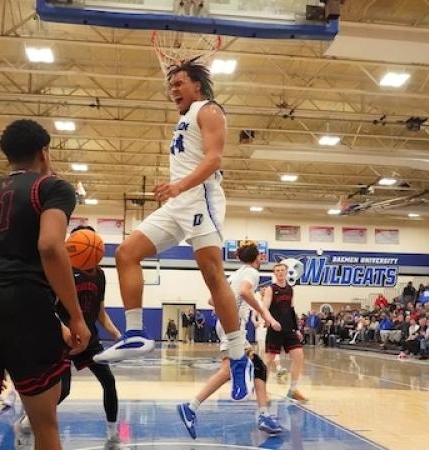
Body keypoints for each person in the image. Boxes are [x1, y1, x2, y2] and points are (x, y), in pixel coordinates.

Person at [94, 60, 253, 401]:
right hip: (178, 203)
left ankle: (239, 357)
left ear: (197, 85)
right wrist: (176, 190)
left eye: (179, 83)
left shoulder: (209, 110)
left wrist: (179, 186)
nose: (174, 90)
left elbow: (214, 159)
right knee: (126, 253)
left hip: (200, 199)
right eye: (171, 85)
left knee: (213, 274)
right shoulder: (185, 118)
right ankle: (135, 333)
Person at [0, 119, 91, 450]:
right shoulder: (52, 187)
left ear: (7, 155)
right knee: (45, 429)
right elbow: (50, 245)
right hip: (24, 306)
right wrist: (76, 316)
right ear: (44, 152)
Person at [15, 225, 123, 450]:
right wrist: (63, 328)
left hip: (89, 339)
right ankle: (25, 424)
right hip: (62, 337)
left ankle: (113, 435)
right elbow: (47, 306)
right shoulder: (61, 271)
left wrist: (115, 332)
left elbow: (100, 312)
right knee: (62, 390)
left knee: (109, 381)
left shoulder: (100, 275)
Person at [177, 242, 283, 439]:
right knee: (228, 371)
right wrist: (264, 314)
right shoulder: (252, 272)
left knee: (258, 367)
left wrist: (225, 308)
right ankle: (190, 407)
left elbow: (212, 300)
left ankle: (264, 416)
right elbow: (244, 291)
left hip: (228, 324)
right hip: (233, 326)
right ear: (257, 257)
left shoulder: (234, 274)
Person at [262, 263, 308, 403]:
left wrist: (297, 329)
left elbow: (292, 310)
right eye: (277, 271)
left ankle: (292, 390)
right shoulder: (271, 289)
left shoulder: (290, 289)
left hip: (289, 329)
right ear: (275, 273)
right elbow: (264, 308)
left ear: (287, 272)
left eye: (282, 270)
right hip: (275, 329)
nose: (280, 272)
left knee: (298, 355)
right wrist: (271, 321)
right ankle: (261, 390)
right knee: (269, 359)